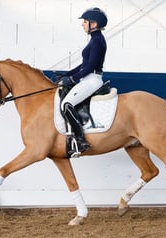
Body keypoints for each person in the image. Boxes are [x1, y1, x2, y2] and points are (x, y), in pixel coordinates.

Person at [60, 7, 108, 155]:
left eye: (85, 22)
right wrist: (67, 74)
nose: (82, 24)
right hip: (88, 77)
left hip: (92, 79)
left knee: (66, 104)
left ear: (94, 24)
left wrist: (72, 78)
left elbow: (91, 66)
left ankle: (80, 140)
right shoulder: (95, 39)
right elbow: (84, 65)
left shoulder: (97, 40)